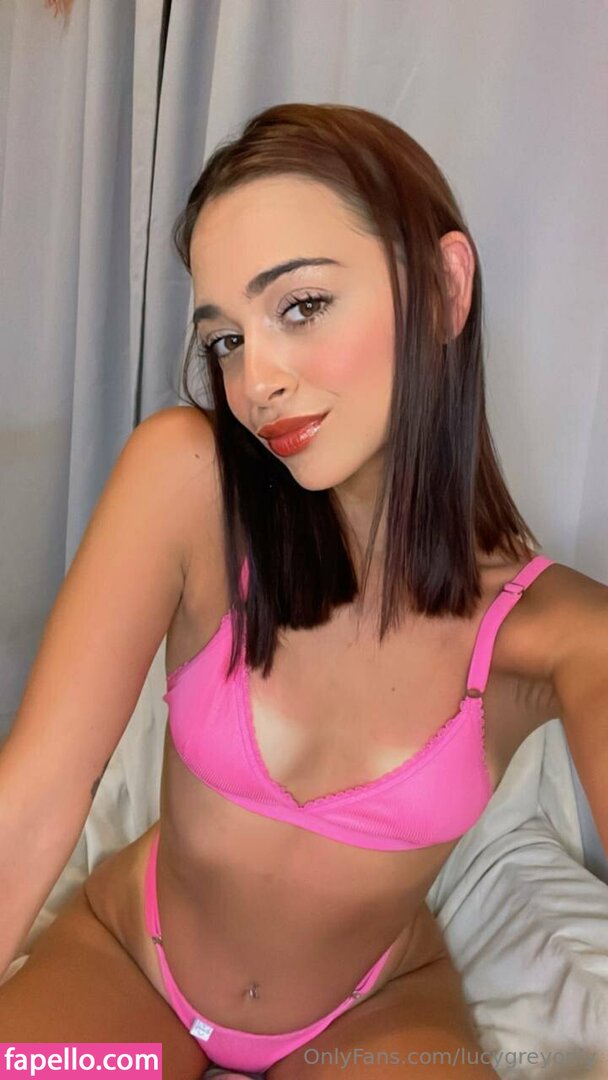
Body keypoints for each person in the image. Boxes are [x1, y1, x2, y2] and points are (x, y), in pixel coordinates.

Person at [0, 102, 606, 1080]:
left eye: (302, 305)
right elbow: (31, 802)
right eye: (226, 339)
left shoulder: (557, 635)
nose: (257, 382)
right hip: (133, 966)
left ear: (443, 289)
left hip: (367, 1014)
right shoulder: (189, 481)